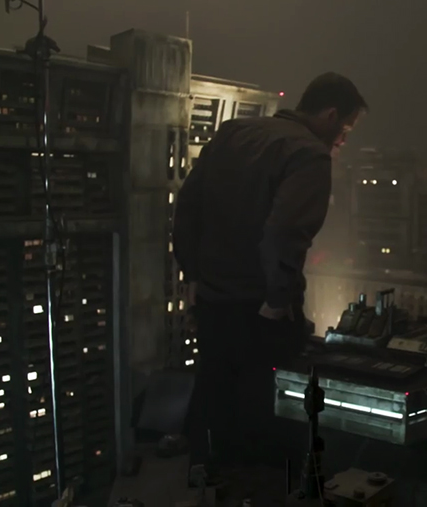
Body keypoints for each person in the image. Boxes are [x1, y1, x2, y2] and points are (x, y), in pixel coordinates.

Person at [172, 72, 367, 485]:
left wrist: (193, 277)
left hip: (213, 302)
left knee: (216, 403)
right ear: (331, 115)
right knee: (270, 424)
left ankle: (208, 474)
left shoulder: (233, 132)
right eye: (346, 130)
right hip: (260, 310)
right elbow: (283, 233)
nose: (342, 141)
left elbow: (187, 206)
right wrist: (277, 301)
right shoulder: (309, 154)